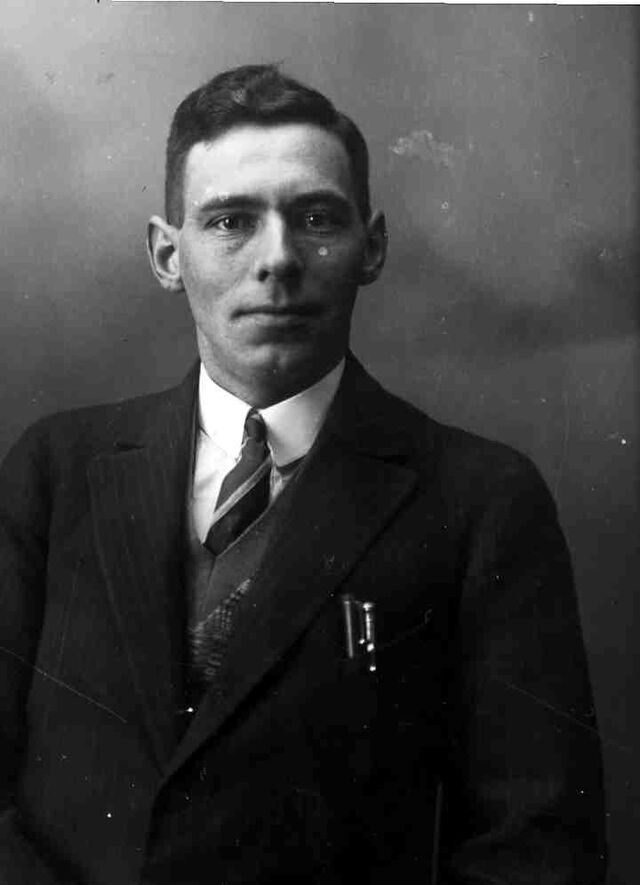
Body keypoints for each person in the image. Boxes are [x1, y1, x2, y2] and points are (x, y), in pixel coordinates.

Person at [0, 64, 606, 885]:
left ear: (372, 246)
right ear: (167, 254)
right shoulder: (55, 470)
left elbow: (537, 844)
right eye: (231, 221)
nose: (278, 259)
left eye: (317, 218)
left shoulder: (480, 498)